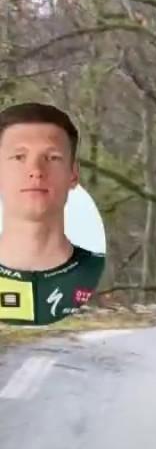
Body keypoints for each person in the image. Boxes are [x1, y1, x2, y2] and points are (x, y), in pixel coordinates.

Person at [0, 102, 105, 326]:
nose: (36, 171)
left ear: (73, 174)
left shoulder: (103, 279)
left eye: (52, 157)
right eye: (19, 157)